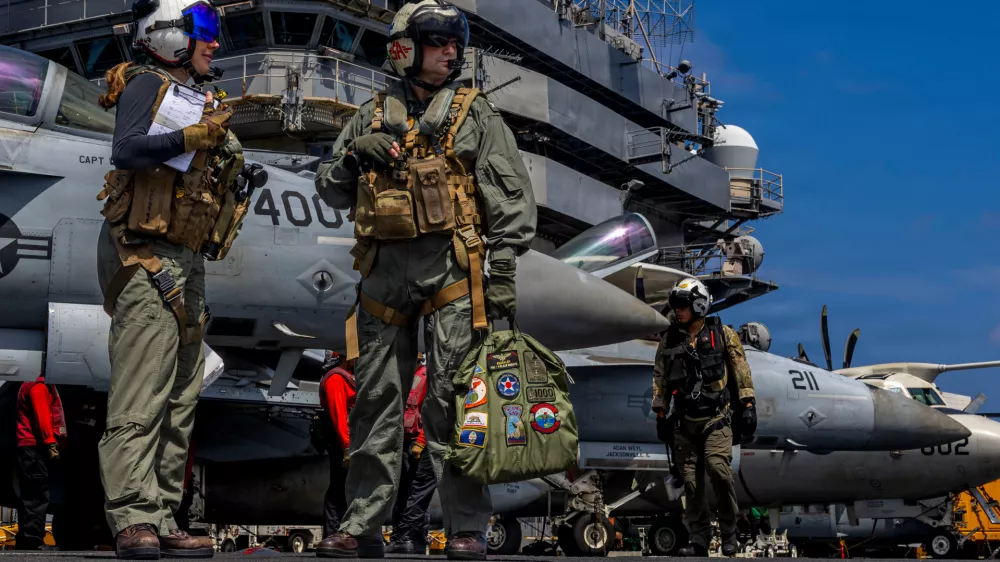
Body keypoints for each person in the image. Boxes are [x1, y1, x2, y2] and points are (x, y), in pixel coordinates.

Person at [313, 0, 537, 558]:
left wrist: (502, 271)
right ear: (404, 49)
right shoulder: (368, 118)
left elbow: (511, 199)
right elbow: (330, 187)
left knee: (452, 401)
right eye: (439, 42)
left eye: (455, 43)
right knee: (374, 401)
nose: (451, 52)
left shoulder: (475, 115)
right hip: (382, 280)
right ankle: (361, 526)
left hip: (452, 276)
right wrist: (353, 158)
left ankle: (465, 527)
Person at [93, 0, 243, 556]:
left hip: (185, 256)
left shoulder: (193, 97)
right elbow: (128, 149)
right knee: (142, 391)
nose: (215, 42)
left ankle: (161, 513)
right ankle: (133, 515)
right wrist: (191, 138)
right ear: (168, 35)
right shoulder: (146, 85)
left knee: (181, 393)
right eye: (204, 30)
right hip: (146, 255)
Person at [652, 278, 757, 557]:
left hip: (715, 418)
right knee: (690, 482)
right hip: (684, 421)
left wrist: (748, 404)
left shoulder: (723, 334)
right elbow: (660, 377)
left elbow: (741, 369)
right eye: (676, 305)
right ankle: (699, 539)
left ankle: (729, 531)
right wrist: (660, 412)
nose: (678, 310)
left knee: (719, 471)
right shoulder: (669, 341)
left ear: (699, 305)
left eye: (683, 305)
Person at [386, 355, 438, 554]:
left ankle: (405, 536)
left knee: (415, 493)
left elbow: (432, 412)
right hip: (407, 441)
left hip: (418, 444)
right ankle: (413, 538)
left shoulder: (425, 377)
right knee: (407, 492)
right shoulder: (409, 376)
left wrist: (421, 441)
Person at [14, 374, 66, 550]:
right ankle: (33, 540)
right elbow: (42, 417)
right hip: (34, 447)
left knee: (30, 494)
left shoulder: (30, 384)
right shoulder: (38, 386)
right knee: (37, 495)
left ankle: (26, 538)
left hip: (27, 447)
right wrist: (51, 443)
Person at [317, 353, 357, 540]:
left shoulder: (344, 376)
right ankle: (333, 533)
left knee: (343, 487)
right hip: (341, 442)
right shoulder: (335, 378)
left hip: (344, 440)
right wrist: (347, 446)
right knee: (339, 488)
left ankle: (340, 532)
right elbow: (339, 414)